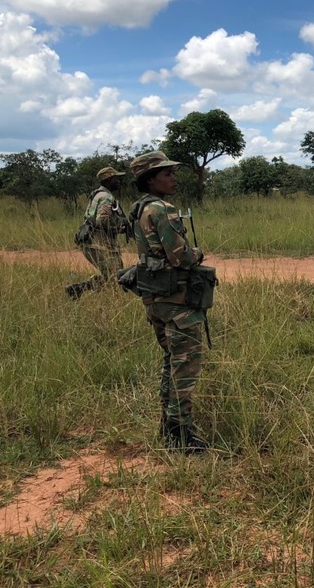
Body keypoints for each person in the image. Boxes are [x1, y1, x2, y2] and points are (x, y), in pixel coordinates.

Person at [129, 151, 209, 454]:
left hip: (155, 298)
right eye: (166, 174)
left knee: (170, 361)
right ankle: (180, 433)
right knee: (185, 365)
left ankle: (168, 424)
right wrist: (198, 253)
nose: (173, 178)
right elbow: (181, 257)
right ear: (151, 179)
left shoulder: (139, 209)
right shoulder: (163, 209)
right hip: (176, 301)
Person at [66, 166, 130, 300]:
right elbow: (102, 220)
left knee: (112, 274)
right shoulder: (106, 197)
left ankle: (80, 288)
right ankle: (103, 299)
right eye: (116, 179)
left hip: (92, 242)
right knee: (115, 276)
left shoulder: (97, 194)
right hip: (100, 244)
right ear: (109, 180)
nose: (118, 181)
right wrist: (120, 224)